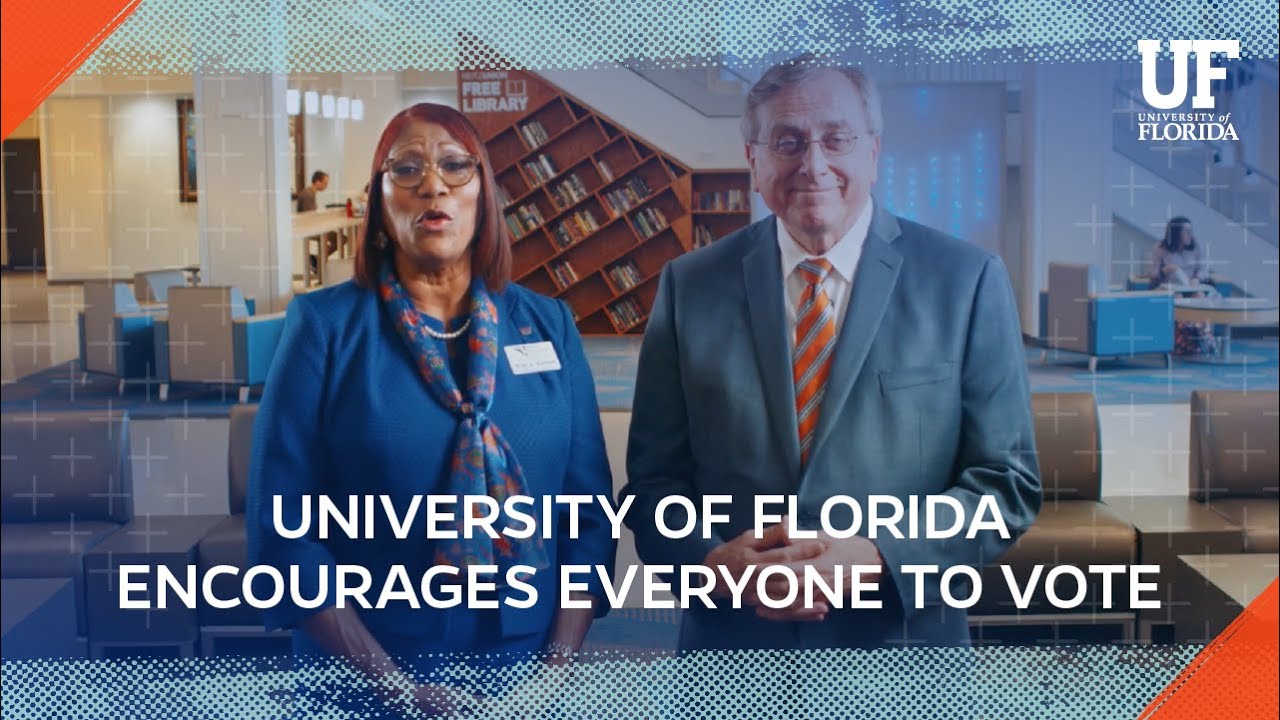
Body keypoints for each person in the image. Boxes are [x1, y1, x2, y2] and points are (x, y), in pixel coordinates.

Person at [622, 57, 1042, 652]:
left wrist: (879, 556)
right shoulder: (689, 286)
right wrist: (712, 564)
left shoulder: (966, 281)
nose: (813, 164)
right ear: (754, 160)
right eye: (787, 141)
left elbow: (1005, 484)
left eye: (836, 139)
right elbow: (653, 485)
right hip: (735, 651)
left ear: (873, 151)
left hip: (901, 654)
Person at [249, 103, 614, 717]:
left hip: (528, 673)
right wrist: (396, 689)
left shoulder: (548, 324)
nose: (432, 185)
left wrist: (554, 677)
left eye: (454, 166)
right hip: (368, 675)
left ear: (483, 194)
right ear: (380, 201)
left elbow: (588, 518)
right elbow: (281, 531)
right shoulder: (324, 328)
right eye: (407, 168)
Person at [1151, 217, 1220, 355]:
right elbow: (1154, 275)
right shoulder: (1160, 248)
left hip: (1191, 285)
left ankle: (1203, 338)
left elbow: (1203, 268)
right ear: (1176, 232)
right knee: (1178, 299)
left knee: (1200, 298)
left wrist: (1196, 278)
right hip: (1171, 287)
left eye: (1190, 231)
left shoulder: (1196, 247)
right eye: (1186, 231)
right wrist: (1166, 270)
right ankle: (1181, 342)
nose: (1190, 234)